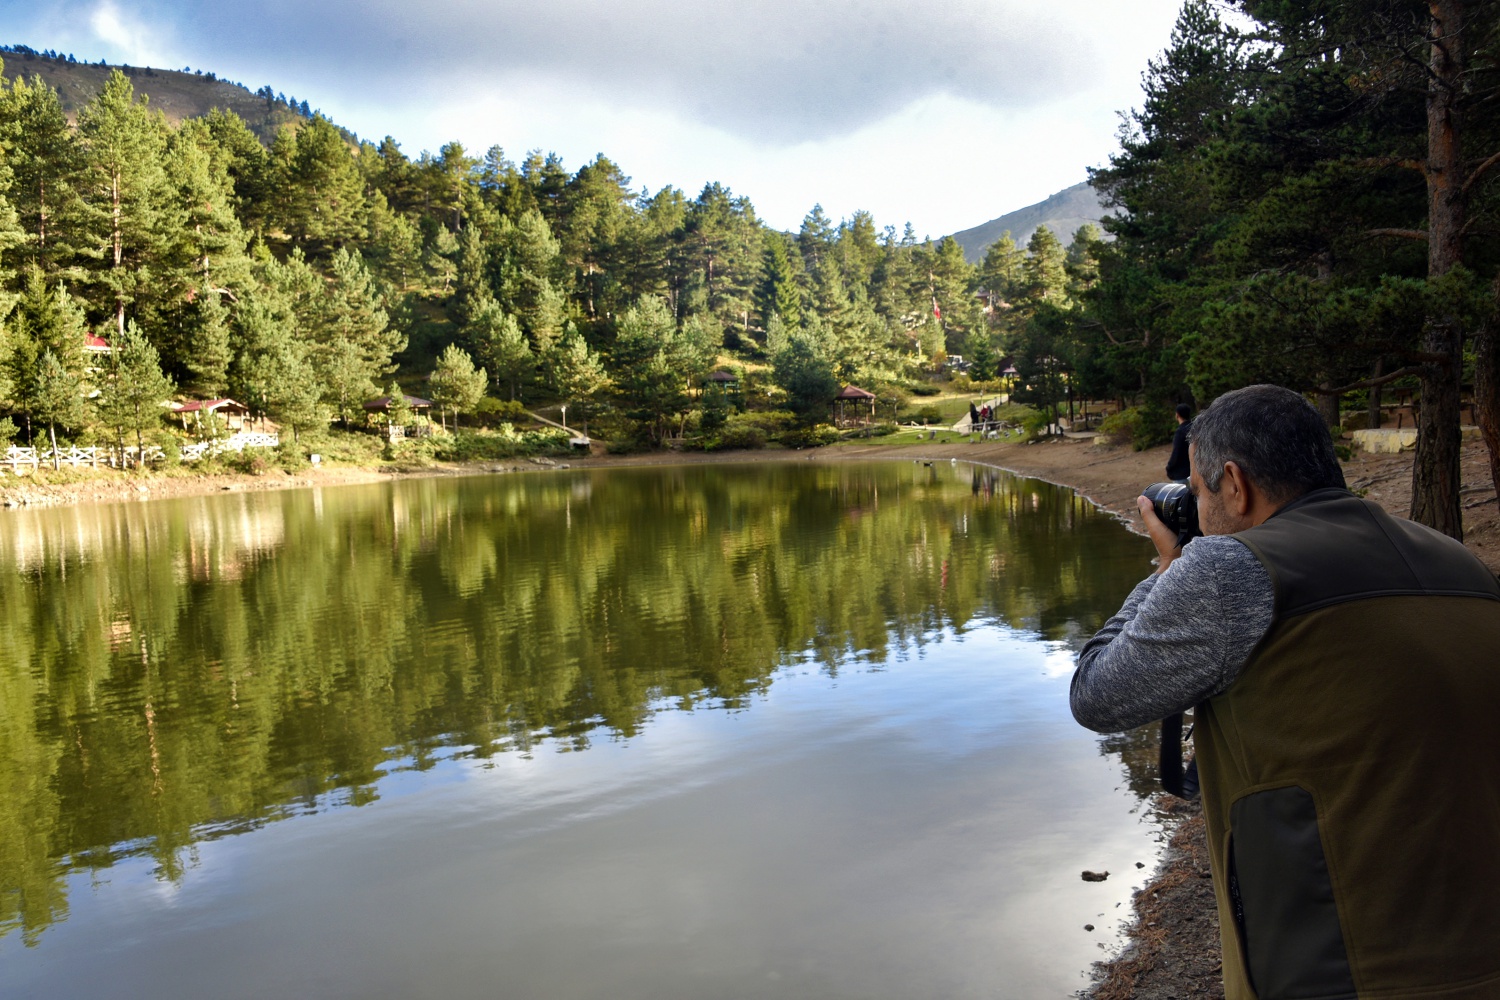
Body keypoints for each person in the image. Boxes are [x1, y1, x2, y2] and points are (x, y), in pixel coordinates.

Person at [1070, 384, 1500, 1000]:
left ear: (1235, 484)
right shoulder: (1462, 564)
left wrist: (1167, 573)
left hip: (1340, 968)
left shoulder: (1232, 567)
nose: (1196, 506)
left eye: (1197, 491)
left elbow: (1096, 695)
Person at [1165, 402, 1192, 482]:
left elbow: (1177, 452)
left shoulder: (1180, 432)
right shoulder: (1195, 427)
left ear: (1177, 415)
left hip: (1182, 473)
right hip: (1195, 470)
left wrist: (1169, 466)